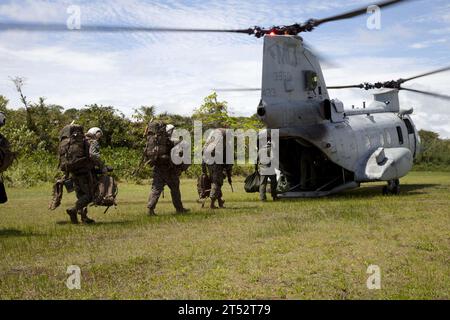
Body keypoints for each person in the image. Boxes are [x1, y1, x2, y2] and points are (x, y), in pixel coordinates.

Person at [65, 126, 106, 224]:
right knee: (89, 196)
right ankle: (73, 210)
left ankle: (83, 218)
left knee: (81, 196)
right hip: (85, 173)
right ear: (97, 134)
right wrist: (102, 166)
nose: (99, 138)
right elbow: (93, 155)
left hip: (74, 172)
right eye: (99, 135)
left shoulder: (78, 141)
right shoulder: (93, 142)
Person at [146, 122, 189, 216]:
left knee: (156, 189)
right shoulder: (171, 141)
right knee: (175, 190)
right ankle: (179, 209)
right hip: (170, 170)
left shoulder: (158, 141)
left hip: (158, 169)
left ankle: (150, 209)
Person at [203, 129, 233, 209]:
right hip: (216, 164)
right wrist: (229, 176)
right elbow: (229, 163)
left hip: (209, 163)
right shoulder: (226, 145)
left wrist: (204, 169)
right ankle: (212, 204)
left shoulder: (211, 143)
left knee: (215, 181)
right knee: (217, 182)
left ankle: (220, 201)